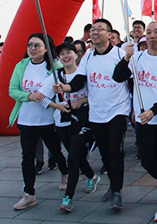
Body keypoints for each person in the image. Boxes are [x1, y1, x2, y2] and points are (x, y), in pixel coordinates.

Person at [56, 19, 130, 211]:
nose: (95, 32)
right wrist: (66, 87)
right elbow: (80, 80)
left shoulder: (120, 54)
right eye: (93, 30)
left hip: (118, 110)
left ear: (109, 34)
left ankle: (117, 191)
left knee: (114, 151)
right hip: (96, 113)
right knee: (105, 153)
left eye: (99, 29)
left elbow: (127, 79)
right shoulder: (88, 57)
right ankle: (113, 185)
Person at [114, 22, 157, 222]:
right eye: (149, 32)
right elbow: (118, 77)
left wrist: (153, 111)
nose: (152, 36)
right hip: (144, 121)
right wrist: (125, 58)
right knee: (147, 160)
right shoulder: (137, 58)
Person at [9, 34, 69, 210]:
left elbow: (65, 86)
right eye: (30, 45)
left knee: (55, 150)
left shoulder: (55, 66)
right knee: (27, 157)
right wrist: (28, 96)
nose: (32, 49)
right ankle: (29, 193)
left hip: (48, 120)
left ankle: (65, 173)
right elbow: (12, 90)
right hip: (26, 119)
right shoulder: (21, 66)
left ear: (46, 48)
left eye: (37, 45)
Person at [48, 43, 99, 212]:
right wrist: (58, 106)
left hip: (83, 121)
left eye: (68, 52)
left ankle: (68, 197)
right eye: (61, 54)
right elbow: (42, 97)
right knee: (75, 155)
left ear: (76, 55)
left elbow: (97, 94)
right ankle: (91, 176)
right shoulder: (55, 76)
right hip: (62, 122)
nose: (66, 56)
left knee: (73, 158)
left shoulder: (84, 74)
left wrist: (82, 100)